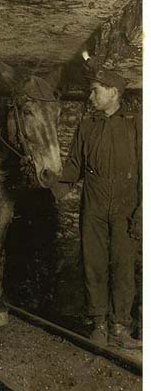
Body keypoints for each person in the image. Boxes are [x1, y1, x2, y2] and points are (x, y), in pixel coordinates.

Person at [51, 67, 141, 349]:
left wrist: (141, 211)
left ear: (113, 93)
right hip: (95, 199)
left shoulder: (136, 124)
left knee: (123, 265)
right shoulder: (87, 125)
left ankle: (120, 328)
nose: (91, 96)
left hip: (127, 202)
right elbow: (74, 166)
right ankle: (99, 324)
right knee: (94, 263)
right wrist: (52, 187)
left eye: (96, 91)